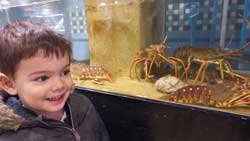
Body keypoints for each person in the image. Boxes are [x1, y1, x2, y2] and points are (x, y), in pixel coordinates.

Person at [0, 20, 110, 141]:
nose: (59, 85)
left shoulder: (82, 105)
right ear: (8, 84)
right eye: (42, 78)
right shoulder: (13, 136)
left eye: (65, 72)